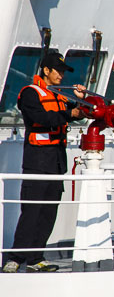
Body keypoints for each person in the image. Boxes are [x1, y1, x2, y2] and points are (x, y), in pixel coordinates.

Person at [2, 53, 86, 273]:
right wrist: (71, 113)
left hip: (56, 161)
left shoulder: (58, 95)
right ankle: (15, 258)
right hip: (37, 160)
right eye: (57, 70)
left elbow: (75, 112)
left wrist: (79, 100)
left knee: (49, 212)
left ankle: (36, 257)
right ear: (46, 71)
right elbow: (43, 118)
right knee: (31, 211)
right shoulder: (30, 93)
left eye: (63, 71)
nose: (61, 74)